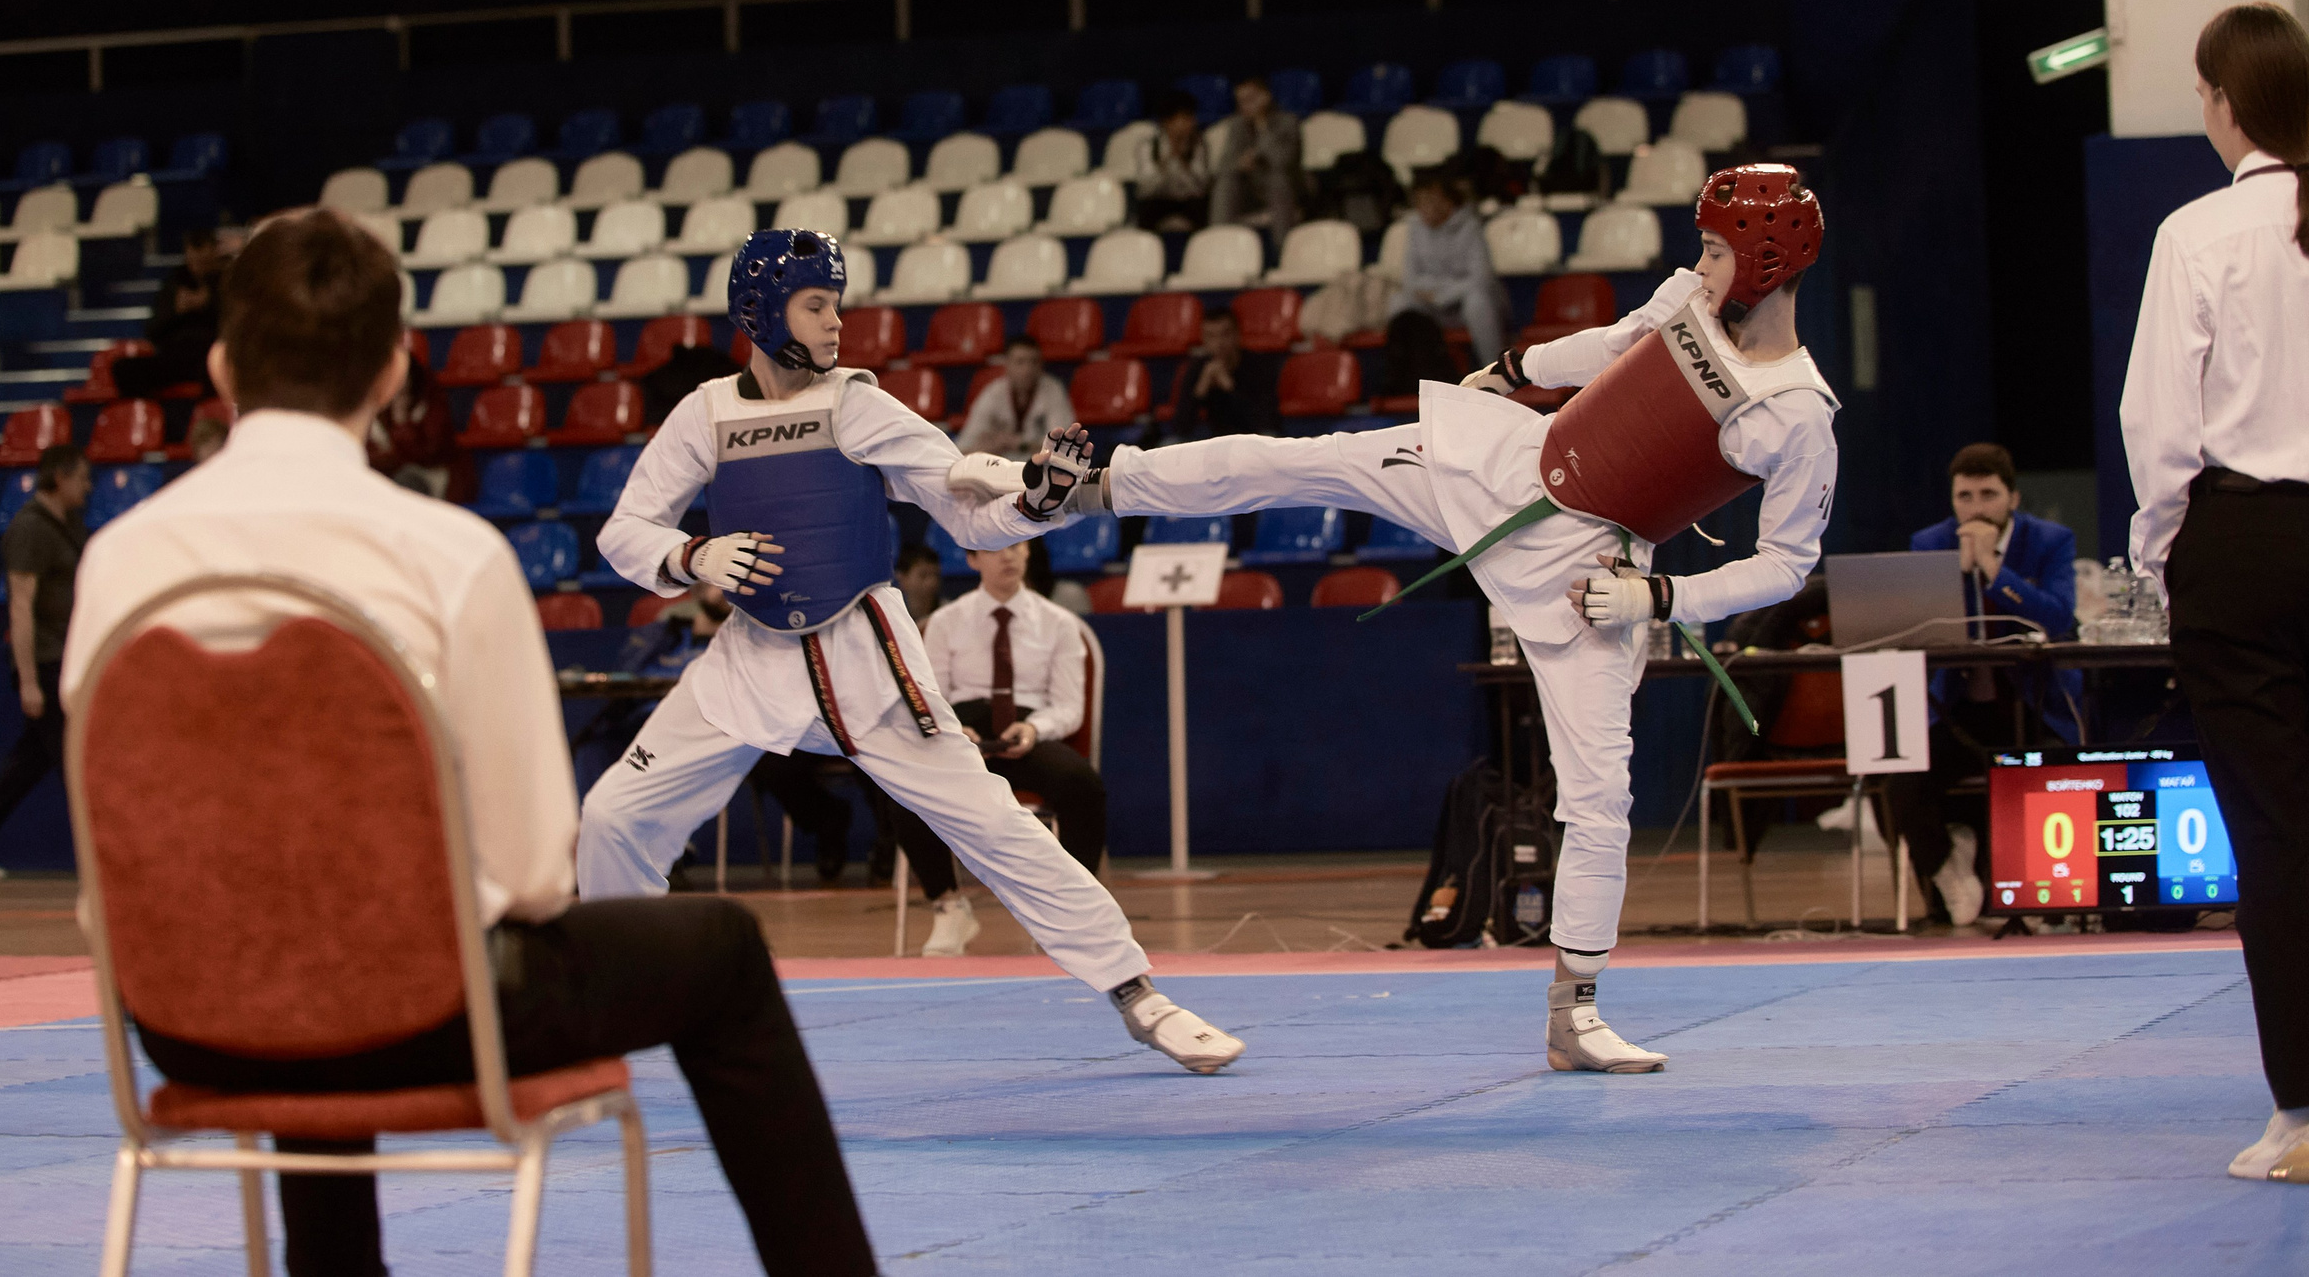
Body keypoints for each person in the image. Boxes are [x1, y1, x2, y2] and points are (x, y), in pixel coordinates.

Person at [63, 209, 879, 1277]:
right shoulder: (444, 553)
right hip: (422, 1011)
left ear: (220, 365)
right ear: (396, 371)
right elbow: (537, 872)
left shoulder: (121, 561)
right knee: (716, 951)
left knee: (307, 932)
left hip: (184, 1016)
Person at [1073, 164, 1838, 1073]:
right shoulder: (1687, 302)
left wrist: (1663, 597)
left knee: (1600, 798)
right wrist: (1515, 370)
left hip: (1595, 573)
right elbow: (1613, 345)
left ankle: (1574, 1012)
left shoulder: (1799, 413)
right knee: (1308, 462)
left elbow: (1789, 566)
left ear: (1762, 259)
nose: (1701, 264)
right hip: (1507, 468)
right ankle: (1099, 485)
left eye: (1716, 249)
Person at [577, 229, 1243, 1074]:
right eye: (817, 305)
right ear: (759, 308)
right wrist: (692, 556)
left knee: (994, 823)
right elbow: (624, 530)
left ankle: (1139, 992)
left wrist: (1033, 502)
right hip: (747, 661)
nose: (835, 323)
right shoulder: (706, 411)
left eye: (837, 306)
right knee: (612, 817)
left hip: (864, 659)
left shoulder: (856, 401)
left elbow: (962, 497)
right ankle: (619, 1004)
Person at [2120, 2, 2309, 1185]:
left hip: (2243, 545)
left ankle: (2301, 1116)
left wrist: (2160, 563)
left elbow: (2160, 428)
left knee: (2279, 839)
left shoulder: (2198, 231)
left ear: (2222, 102)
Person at [1887, 442, 2081, 926]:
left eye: (1988, 494)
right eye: (1965, 496)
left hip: (2030, 701)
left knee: (2053, 768)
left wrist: (1996, 569)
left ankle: (2047, 895)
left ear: (2013, 498)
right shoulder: (1929, 543)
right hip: (1957, 705)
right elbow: (1916, 629)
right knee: (1901, 775)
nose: (1976, 508)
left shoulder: (2050, 541)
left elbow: (2058, 619)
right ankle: (1947, 871)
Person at [892, 540, 1109, 955]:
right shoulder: (945, 622)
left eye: (1017, 545)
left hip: (1028, 732)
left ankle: (1070, 913)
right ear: (972, 559)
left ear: (1028, 553)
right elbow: (930, 696)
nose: (1008, 555)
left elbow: (1068, 706)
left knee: (1083, 786)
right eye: (994, 548)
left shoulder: (1060, 624)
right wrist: (957, 732)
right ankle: (948, 906)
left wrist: (1033, 727)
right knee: (906, 785)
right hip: (964, 735)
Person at [0, 443, 91, 879]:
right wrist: (28, 678)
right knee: (77, 759)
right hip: (46, 660)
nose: (88, 486)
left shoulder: (67, 526)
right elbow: (20, 606)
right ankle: (104, 856)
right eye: (82, 477)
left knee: (32, 758)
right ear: (59, 477)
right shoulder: (30, 528)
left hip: (66, 657)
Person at [1390, 170, 1506, 364]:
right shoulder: (1415, 227)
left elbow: (1481, 278)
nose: (1424, 207)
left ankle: (1494, 368)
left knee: (1477, 300)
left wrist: (1441, 295)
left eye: (1430, 200)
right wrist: (1432, 293)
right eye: (1420, 202)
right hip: (1431, 305)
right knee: (1399, 303)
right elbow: (1410, 278)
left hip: (1462, 305)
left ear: (1448, 201)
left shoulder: (1471, 226)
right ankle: (1410, 374)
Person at [110, 226, 229, 398]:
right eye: (193, 248)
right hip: (176, 355)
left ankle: (210, 418)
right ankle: (149, 419)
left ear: (213, 249)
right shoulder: (175, 282)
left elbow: (233, 325)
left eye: (203, 247)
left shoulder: (226, 279)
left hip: (208, 354)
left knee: (213, 365)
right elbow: (152, 330)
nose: (198, 255)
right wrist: (175, 311)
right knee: (123, 369)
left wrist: (208, 303)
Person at [365, 352, 476, 503]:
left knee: (406, 481)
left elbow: (428, 452)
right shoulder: (377, 406)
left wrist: (402, 420)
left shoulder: (432, 402)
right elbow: (370, 454)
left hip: (435, 474)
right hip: (391, 474)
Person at [1208, 74, 1305, 243]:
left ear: (1266, 97)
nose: (1245, 106)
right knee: (1226, 182)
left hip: (1287, 187)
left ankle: (1284, 254)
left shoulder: (1288, 122)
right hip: (1251, 190)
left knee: (1278, 181)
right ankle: (1219, 244)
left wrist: (1262, 128)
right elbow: (1224, 165)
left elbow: (1283, 162)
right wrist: (1239, 164)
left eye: (1250, 100)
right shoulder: (1237, 125)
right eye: (1241, 102)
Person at [954, 334, 1074, 460]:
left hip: (1041, 469)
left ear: (1041, 365)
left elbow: (1063, 448)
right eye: (1020, 362)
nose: (1027, 369)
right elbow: (963, 449)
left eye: (1034, 362)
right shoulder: (992, 393)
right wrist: (992, 445)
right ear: (1007, 364)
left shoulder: (1053, 391)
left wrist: (1020, 445)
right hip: (997, 468)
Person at [1166, 307, 1279, 439]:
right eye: (1211, 336)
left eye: (1225, 335)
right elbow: (1180, 428)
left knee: (1270, 437)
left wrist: (1229, 386)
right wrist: (1200, 390)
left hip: (1252, 439)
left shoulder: (1258, 366)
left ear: (1237, 335)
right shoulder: (1198, 368)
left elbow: (1265, 423)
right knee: (1170, 442)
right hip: (1217, 440)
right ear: (1203, 340)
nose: (1218, 343)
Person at [1133, 90, 1215, 232]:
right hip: (1159, 200)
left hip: (1189, 201)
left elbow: (1201, 187)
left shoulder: (1199, 145)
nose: (1186, 124)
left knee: (1202, 207)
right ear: (1166, 122)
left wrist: (1184, 163)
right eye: (1180, 119)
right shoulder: (1149, 146)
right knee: (1146, 210)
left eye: (1189, 118)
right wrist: (1165, 163)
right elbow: (1145, 188)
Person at [893, 541, 943, 629]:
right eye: (923, 575)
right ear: (902, 578)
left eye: (935, 574)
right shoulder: (891, 614)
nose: (931, 582)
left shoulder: (948, 613)